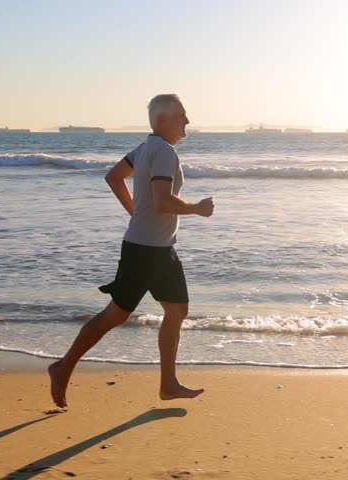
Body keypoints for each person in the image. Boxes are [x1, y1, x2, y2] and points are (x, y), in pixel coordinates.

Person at [48, 94, 214, 407]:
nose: (187, 122)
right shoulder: (163, 152)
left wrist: (136, 211)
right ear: (163, 120)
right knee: (115, 315)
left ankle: (168, 384)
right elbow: (163, 202)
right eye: (182, 116)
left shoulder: (145, 148)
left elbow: (113, 177)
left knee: (177, 311)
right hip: (145, 250)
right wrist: (198, 209)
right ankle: (62, 367)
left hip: (161, 248)